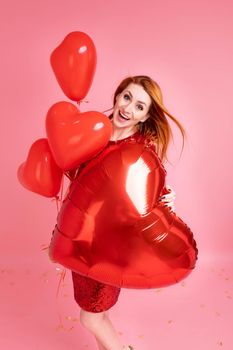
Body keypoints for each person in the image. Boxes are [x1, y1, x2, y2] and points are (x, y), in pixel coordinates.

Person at [50, 75, 196, 350]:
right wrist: (60, 234)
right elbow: (74, 178)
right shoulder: (93, 131)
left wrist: (166, 200)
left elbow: (147, 191)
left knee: (90, 316)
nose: (129, 109)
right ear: (117, 96)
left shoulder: (140, 150)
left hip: (112, 246)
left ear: (145, 117)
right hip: (81, 237)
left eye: (140, 106)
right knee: (94, 311)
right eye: (127, 97)